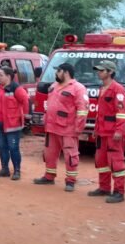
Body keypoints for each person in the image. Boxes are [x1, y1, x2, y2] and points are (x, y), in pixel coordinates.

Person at [33, 63, 88, 191]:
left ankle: (70, 181)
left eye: (58, 71)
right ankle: (49, 176)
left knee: (70, 156)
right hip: (51, 128)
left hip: (68, 129)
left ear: (66, 72)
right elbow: (49, 106)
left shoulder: (78, 88)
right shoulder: (54, 86)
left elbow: (82, 110)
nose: (56, 73)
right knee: (49, 154)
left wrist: (78, 128)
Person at [88, 60, 125, 203]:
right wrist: (95, 129)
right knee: (101, 161)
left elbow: (122, 112)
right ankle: (104, 188)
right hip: (102, 133)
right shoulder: (102, 89)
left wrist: (119, 130)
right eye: (98, 70)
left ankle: (119, 191)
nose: (99, 73)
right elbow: (101, 113)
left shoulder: (118, 90)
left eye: (102, 70)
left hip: (112, 134)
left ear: (110, 72)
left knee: (115, 162)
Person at [0, 66, 29, 181]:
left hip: (12, 125)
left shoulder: (15, 88)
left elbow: (25, 100)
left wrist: (25, 116)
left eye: (1, 75)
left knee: (13, 148)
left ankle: (17, 170)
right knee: (2, 147)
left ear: (8, 76)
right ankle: (5, 169)